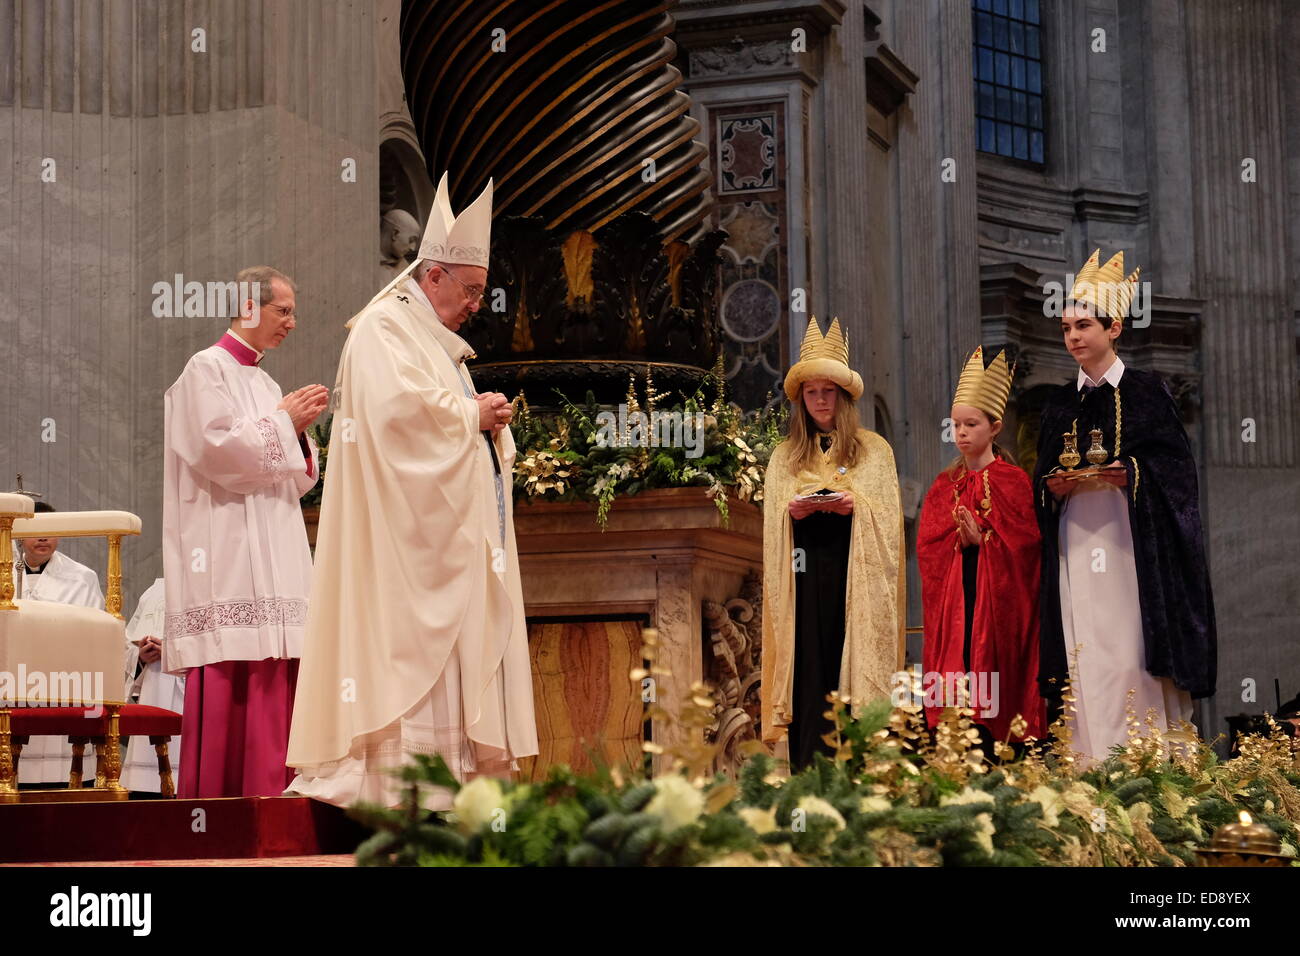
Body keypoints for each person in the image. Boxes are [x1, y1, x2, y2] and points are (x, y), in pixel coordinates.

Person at [286, 172, 537, 809]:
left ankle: (453, 791)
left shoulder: (439, 345)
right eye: (472, 289)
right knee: (412, 656)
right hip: (403, 547)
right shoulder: (382, 330)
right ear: (434, 276)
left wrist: (486, 424)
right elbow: (392, 418)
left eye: (482, 290)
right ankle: (397, 785)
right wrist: (466, 418)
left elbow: (441, 416)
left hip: (445, 540)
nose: (480, 303)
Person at [1033, 249, 1216, 763]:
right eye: (1066, 327)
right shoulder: (1058, 403)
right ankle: (1088, 759)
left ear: (1114, 327)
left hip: (1132, 545)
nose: (1072, 336)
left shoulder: (1146, 392)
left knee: (1129, 648)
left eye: (1083, 325)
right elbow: (1040, 478)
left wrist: (1131, 473)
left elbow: (1179, 475)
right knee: (1082, 644)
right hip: (1076, 537)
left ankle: (1146, 761)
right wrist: (1053, 487)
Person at [162, 265, 328, 797]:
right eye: (284, 311)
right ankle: (224, 802)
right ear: (250, 307)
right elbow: (219, 454)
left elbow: (299, 476)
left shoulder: (265, 380)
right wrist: (283, 423)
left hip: (275, 540)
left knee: (282, 659)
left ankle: (282, 794)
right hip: (227, 547)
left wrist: (297, 433)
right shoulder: (203, 371)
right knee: (240, 663)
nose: (292, 323)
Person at [760, 316, 905, 769]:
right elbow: (772, 522)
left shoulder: (873, 449)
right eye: (811, 392)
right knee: (809, 667)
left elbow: (888, 522)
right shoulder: (785, 455)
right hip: (803, 576)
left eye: (828, 392)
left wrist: (853, 505)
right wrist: (793, 512)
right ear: (801, 400)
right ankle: (809, 771)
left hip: (850, 573)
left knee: (849, 660)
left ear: (842, 397)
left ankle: (858, 771)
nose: (820, 400)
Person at [917, 347, 1045, 758]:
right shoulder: (943, 485)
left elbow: (1027, 550)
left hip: (996, 608)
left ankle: (998, 748)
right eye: (956, 425)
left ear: (995, 428)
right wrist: (959, 542)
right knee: (960, 668)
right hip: (958, 600)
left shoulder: (1013, 482)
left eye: (971, 424)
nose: (962, 433)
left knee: (991, 673)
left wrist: (985, 541)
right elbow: (928, 548)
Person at [14, 501, 105, 785]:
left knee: (62, 777)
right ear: (17, 534)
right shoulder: (5, 572)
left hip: (62, 682)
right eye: (35, 530)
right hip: (12, 681)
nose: (43, 537)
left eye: (50, 530)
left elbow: (97, 634)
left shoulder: (81, 577)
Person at [121, 578, 185, 792]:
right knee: (144, 792)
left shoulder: (211, 588)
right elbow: (126, 645)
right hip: (151, 690)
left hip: (187, 697)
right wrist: (140, 656)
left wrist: (171, 652)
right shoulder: (154, 592)